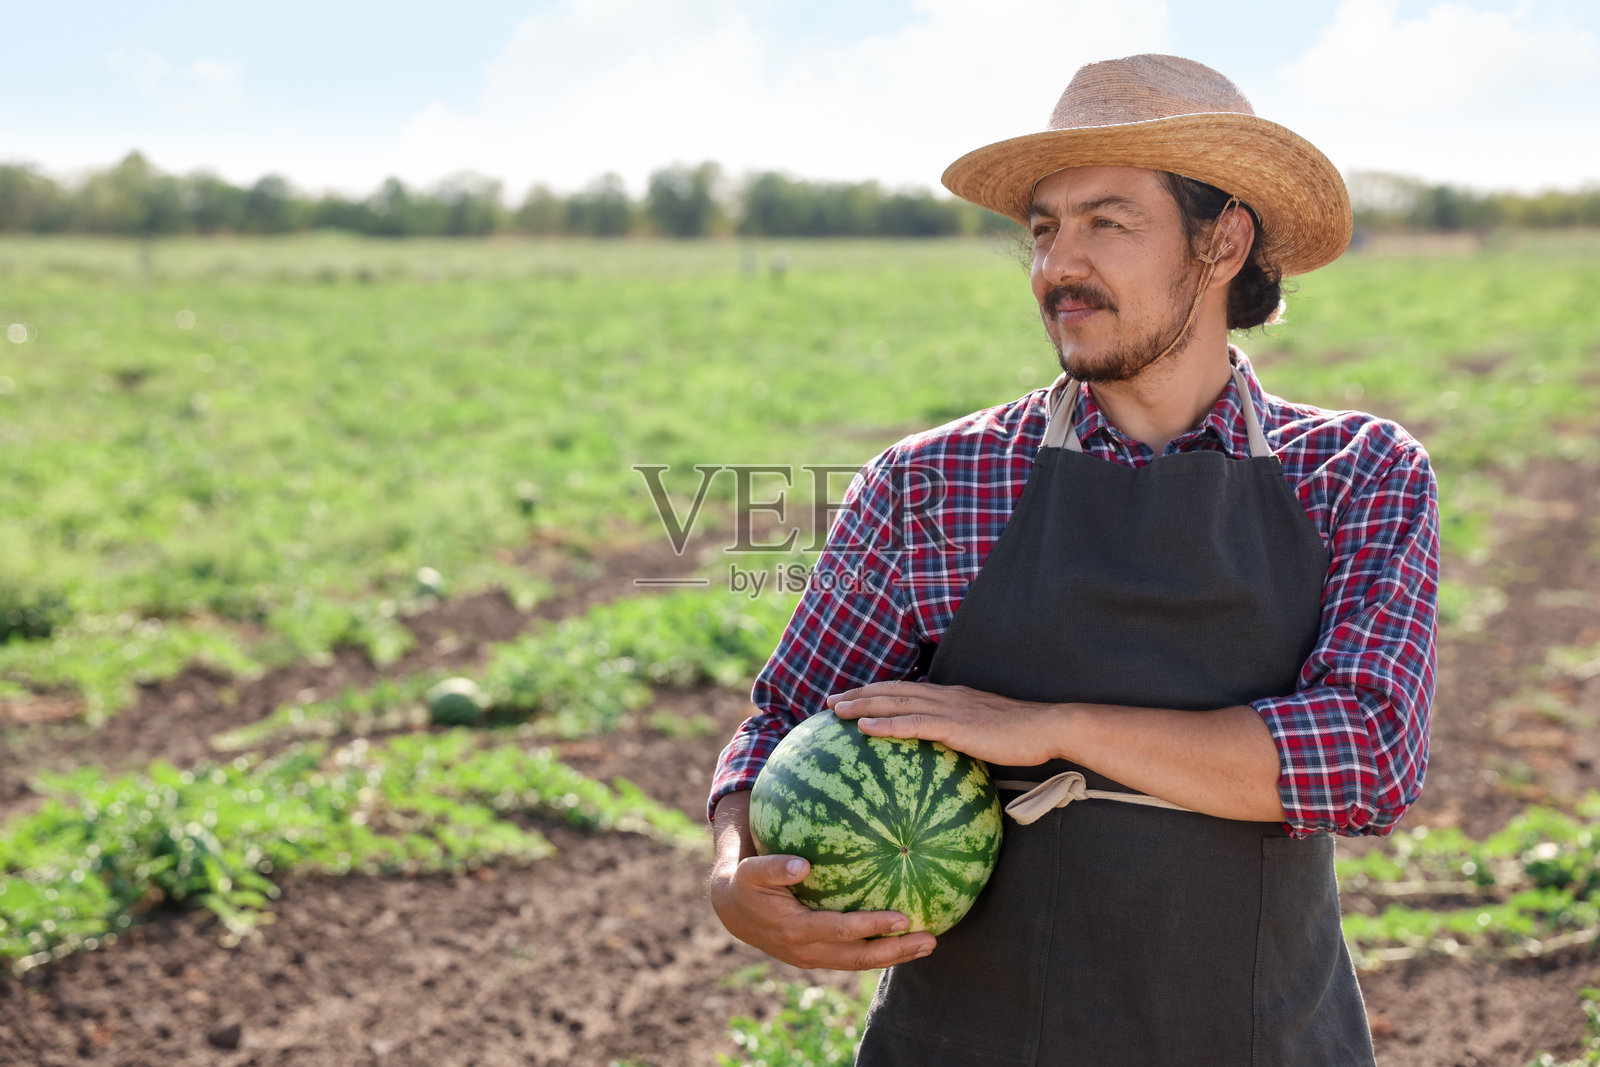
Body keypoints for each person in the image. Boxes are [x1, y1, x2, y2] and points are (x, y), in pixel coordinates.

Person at [708, 53, 1437, 1065]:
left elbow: (1364, 752)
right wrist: (734, 870)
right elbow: (784, 717)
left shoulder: (1355, 474)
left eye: (1107, 220)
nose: (1057, 265)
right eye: (1044, 229)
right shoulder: (931, 482)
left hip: (1260, 1039)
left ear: (1223, 238)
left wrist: (1047, 727)